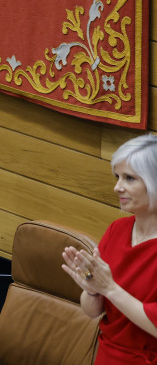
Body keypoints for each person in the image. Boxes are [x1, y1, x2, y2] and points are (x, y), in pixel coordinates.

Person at [62, 134, 157, 364]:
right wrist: (93, 290)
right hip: (106, 355)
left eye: (129, 178)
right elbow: (93, 312)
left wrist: (109, 288)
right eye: (117, 177)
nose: (117, 187)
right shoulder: (117, 229)